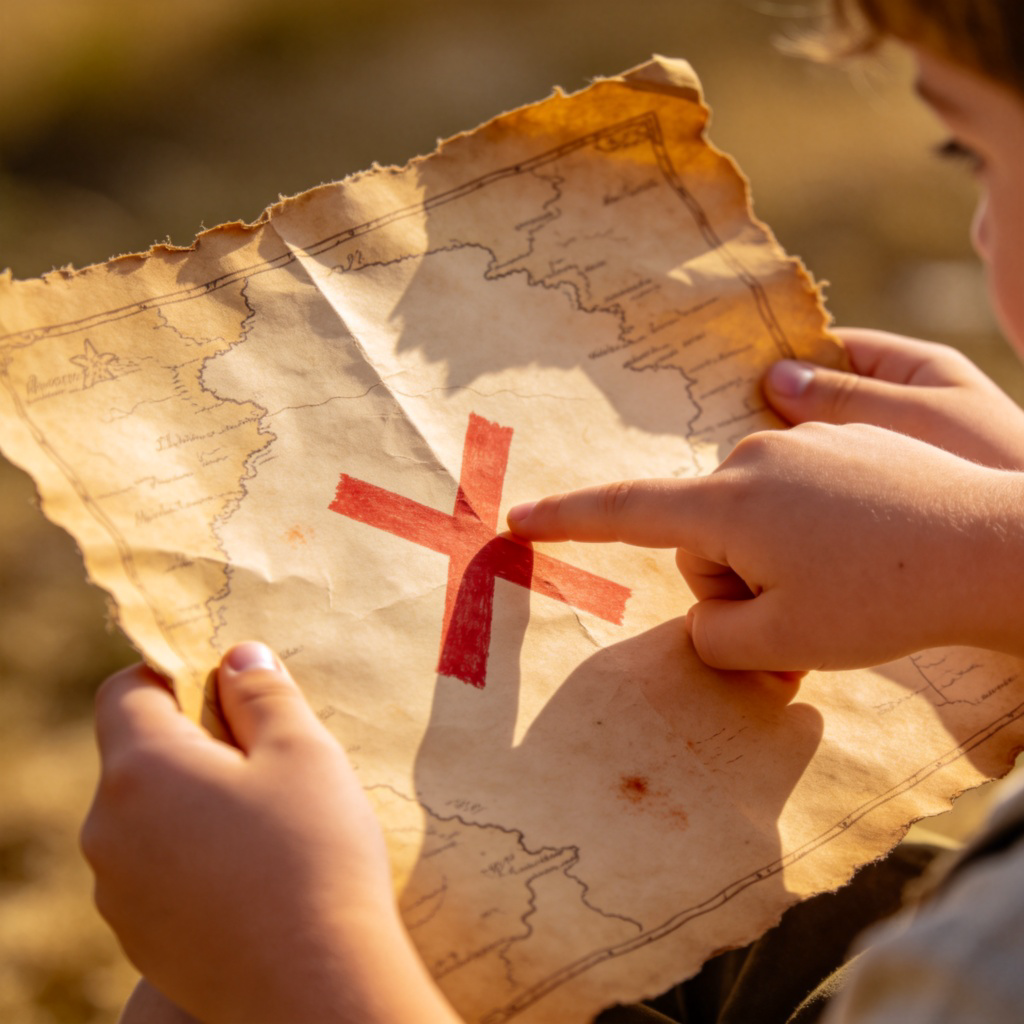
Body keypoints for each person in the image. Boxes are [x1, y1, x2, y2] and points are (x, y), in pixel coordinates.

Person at [81, 0, 1024, 1020]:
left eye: (967, 148)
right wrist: (994, 546)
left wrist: (306, 970)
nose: (974, 219)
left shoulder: (980, 965)